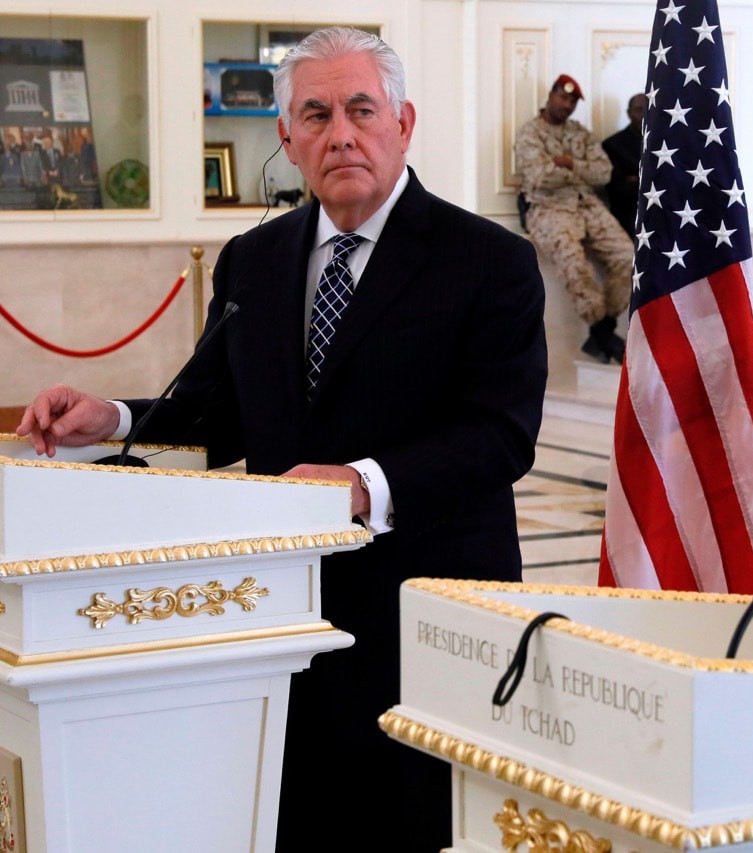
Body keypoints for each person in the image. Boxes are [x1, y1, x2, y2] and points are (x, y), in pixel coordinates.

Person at [17, 26, 547, 851]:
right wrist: (112, 418)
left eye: (362, 109)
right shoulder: (254, 260)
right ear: (287, 139)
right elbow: (218, 409)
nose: (342, 132)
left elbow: (501, 437)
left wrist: (362, 482)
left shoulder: (491, 262)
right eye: (317, 113)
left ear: (404, 124)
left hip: (427, 619)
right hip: (275, 618)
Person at [514, 74, 632, 364]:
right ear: (551, 95)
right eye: (563, 97)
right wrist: (580, 170)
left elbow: (603, 172)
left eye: (572, 101)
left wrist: (567, 163)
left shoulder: (580, 134)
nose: (566, 105)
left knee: (629, 257)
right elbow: (538, 177)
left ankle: (601, 331)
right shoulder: (530, 134)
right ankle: (601, 329)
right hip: (547, 208)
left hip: (585, 204)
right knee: (574, 264)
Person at [602, 93, 645, 232]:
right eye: (639, 109)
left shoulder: (668, 143)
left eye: (650, 109)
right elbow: (618, 191)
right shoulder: (613, 145)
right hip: (631, 213)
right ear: (629, 113)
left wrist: (637, 180)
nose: (645, 115)